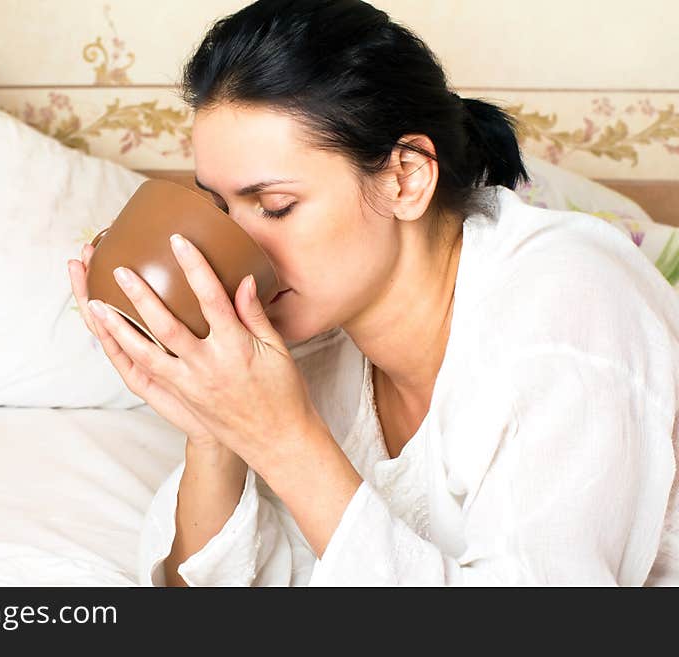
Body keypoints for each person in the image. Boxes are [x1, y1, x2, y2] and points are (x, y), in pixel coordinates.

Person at [67, 0, 678, 586]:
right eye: (221, 206)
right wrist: (217, 429)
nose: (236, 242)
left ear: (405, 180)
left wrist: (284, 439)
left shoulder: (567, 313)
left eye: (275, 206)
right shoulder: (317, 334)